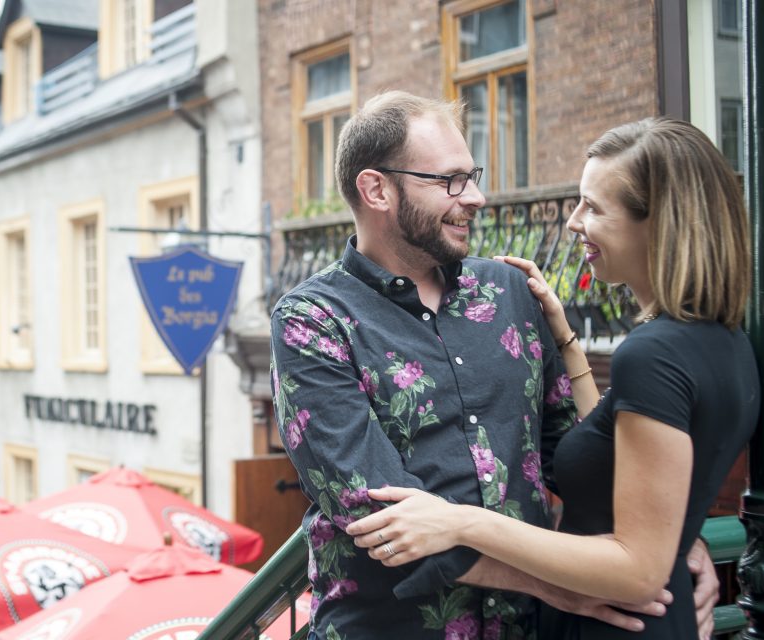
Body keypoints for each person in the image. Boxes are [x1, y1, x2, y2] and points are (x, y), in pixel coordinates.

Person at [270, 91, 718, 638]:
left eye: (473, 176)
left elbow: (576, 455)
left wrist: (670, 536)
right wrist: (551, 585)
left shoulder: (509, 290)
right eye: (450, 181)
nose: (476, 197)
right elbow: (378, 515)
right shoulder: (311, 321)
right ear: (376, 189)